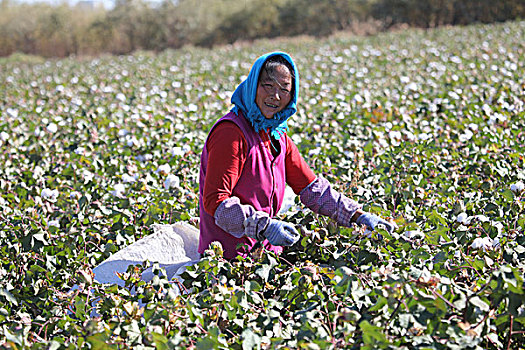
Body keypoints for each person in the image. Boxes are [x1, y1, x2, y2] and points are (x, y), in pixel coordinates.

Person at [198, 51, 395, 260]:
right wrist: (264, 227)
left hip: (265, 255)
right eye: (268, 86)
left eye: (284, 89)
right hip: (226, 261)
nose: (275, 96)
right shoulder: (231, 133)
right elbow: (216, 202)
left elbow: (312, 189)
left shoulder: (277, 136)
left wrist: (358, 216)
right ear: (253, 85)